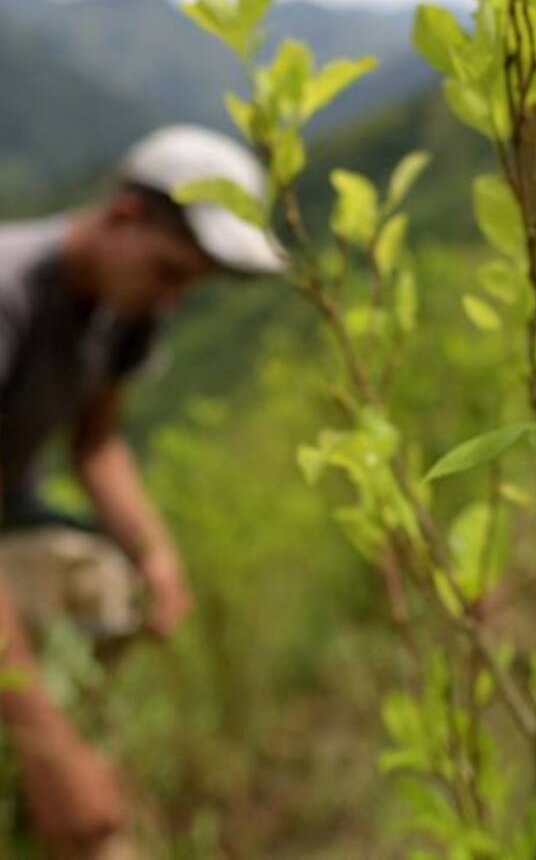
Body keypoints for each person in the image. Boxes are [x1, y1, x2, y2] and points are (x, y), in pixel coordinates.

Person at [0, 124, 285, 857]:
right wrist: (47, 748)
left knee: (111, 588)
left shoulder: (126, 311)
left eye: (190, 282)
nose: (174, 299)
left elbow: (95, 441)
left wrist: (156, 556)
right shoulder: (9, 294)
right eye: (169, 272)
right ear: (124, 216)